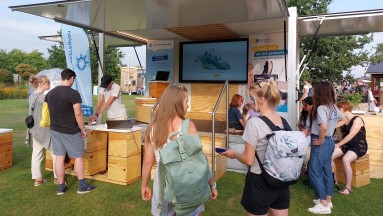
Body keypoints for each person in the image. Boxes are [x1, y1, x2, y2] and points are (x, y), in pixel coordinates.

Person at [141, 85, 218, 215]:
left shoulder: (152, 127)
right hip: (186, 180)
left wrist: (144, 185)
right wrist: (212, 184)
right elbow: (201, 160)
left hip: (162, 182)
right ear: (177, 103)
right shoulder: (187, 126)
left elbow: (147, 162)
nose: (187, 106)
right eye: (186, 101)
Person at [222, 80, 291, 216]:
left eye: (252, 99)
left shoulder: (254, 123)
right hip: (281, 181)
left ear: (262, 99)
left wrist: (235, 154)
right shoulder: (283, 121)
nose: (250, 103)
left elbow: (249, 160)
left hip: (260, 182)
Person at [45, 68, 96, 195]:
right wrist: (83, 129)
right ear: (72, 78)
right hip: (71, 131)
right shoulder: (73, 93)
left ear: (62, 77)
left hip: (55, 130)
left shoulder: (50, 94)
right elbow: (78, 113)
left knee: (59, 158)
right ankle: (82, 186)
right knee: (78, 158)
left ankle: (61, 187)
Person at [308, 81, 346, 214]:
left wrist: (320, 140)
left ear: (320, 93)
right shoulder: (333, 107)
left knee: (314, 171)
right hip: (329, 142)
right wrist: (331, 128)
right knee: (326, 171)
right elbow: (344, 119)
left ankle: (323, 203)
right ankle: (327, 200)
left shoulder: (321, 108)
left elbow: (323, 126)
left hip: (322, 142)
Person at [331, 101, 368, 195]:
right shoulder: (342, 121)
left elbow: (351, 135)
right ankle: (334, 182)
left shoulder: (357, 120)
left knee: (346, 159)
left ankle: (348, 187)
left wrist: (338, 145)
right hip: (346, 145)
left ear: (344, 109)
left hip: (358, 145)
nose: (337, 112)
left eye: (338, 109)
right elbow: (334, 132)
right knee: (329, 156)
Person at [28, 75, 57, 186]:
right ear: (41, 84)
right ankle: (57, 177)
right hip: (45, 128)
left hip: (34, 129)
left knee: (36, 154)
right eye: (48, 83)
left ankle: (37, 179)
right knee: (55, 152)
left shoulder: (32, 96)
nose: (49, 84)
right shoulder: (43, 98)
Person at [297, 97, 313, 175]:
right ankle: (303, 164)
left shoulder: (316, 115)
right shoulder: (303, 113)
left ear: (311, 105)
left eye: (305, 105)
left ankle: (304, 164)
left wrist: (310, 132)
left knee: (304, 143)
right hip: (303, 133)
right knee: (300, 142)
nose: (303, 106)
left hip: (312, 135)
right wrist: (303, 129)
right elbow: (299, 125)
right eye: (303, 105)